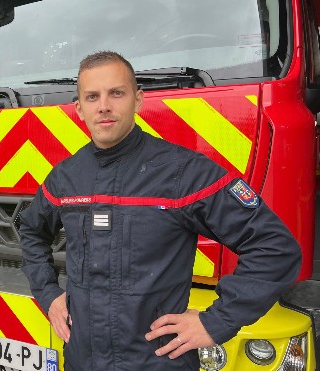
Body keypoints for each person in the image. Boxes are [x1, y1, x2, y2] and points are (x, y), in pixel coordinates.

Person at [20, 51, 301, 370]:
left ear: (137, 100)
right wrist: (48, 294)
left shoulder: (185, 173)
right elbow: (31, 233)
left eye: (116, 93)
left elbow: (275, 249)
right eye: (92, 96)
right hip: (83, 360)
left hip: (157, 363)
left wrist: (215, 322)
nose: (104, 106)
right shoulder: (65, 178)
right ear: (79, 109)